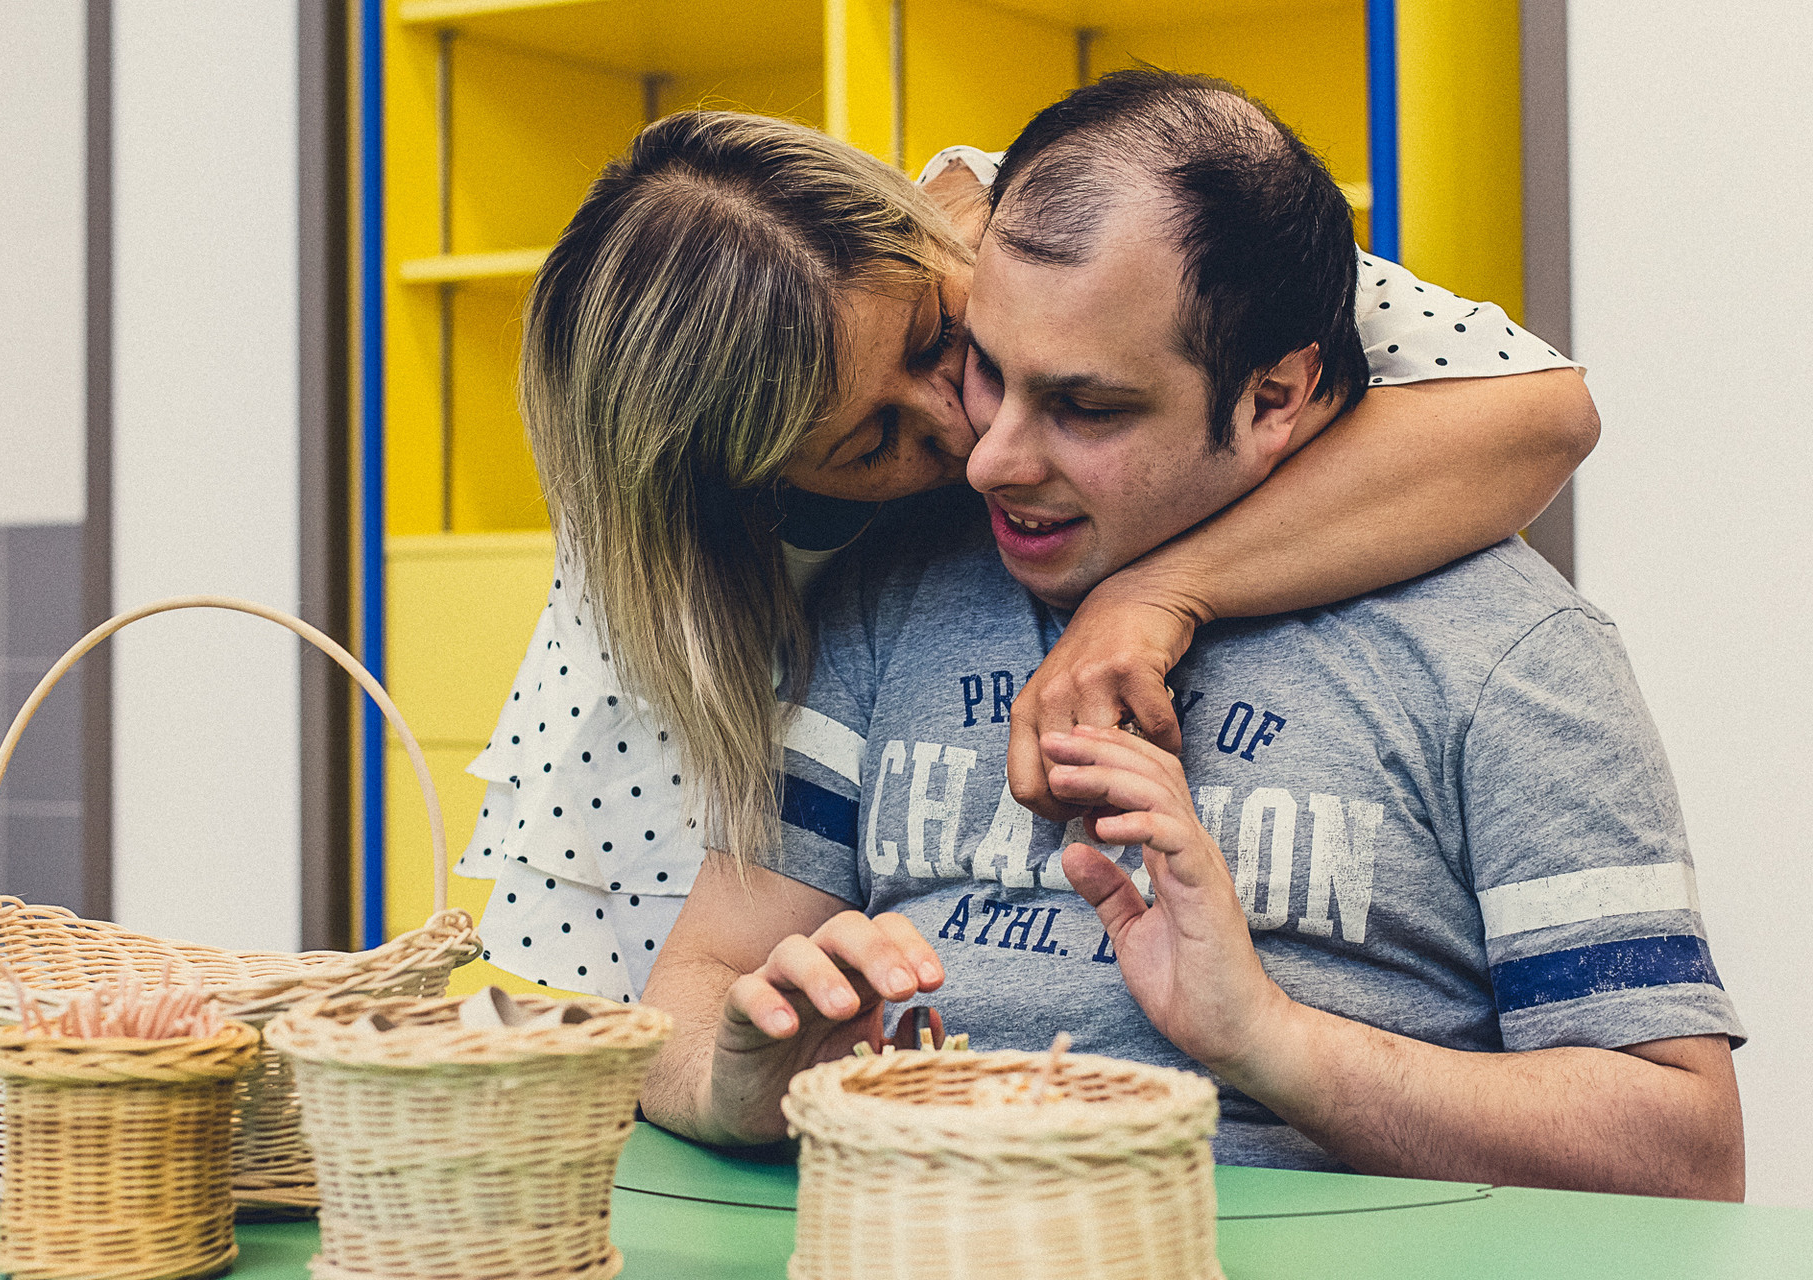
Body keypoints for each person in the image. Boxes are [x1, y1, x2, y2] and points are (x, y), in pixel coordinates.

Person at [638, 72, 1744, 1199]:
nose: (986, 458)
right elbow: (686, 989)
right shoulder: (895, 588)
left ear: (1273, 396)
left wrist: (1270, 1038)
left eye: (1088, 405)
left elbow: (1685, 1155)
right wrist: (737, 1086)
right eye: (987, 367)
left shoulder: (1506, 646)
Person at [456, 109, 1596, 1003]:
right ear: (770, 491)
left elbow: (1539, 413)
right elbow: (674, 1018)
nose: (974, 439)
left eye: (941, 340)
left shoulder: (1076, 226)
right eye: (874, 444)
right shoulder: (673, 601)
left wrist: (1154, 593)